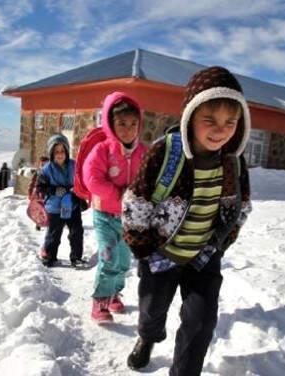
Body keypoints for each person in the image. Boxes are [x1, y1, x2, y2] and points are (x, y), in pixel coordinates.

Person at [122, 66, 252, 374]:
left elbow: (240, 208)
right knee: (152, 311)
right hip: (161, 255)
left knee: (202, 321)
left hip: (203, 258)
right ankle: (147, 337)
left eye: (230, 122)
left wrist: (219, 245)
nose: (220, 129)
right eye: (209, 119)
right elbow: (136, 202)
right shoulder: (165, 154)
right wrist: (144, 249)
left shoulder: (233, 162)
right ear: (190, 116)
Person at [83, 92, 148, 324]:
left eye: (133, 124)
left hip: (130, 219)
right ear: (111, 123)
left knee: (122, 261)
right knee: (108, 257)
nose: (128, 129)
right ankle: (100, 301)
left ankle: (114, 294)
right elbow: (92, 179)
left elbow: (150, 179)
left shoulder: (144, 153)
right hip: (104, 216)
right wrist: (120, 194)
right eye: (121, 123)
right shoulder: (103, 150)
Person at [36, 134, 84, 267]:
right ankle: (49, 256)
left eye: (62, 151)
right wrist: (53, 190)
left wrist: (78, 192)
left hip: (72, 205)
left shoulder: (74, 165)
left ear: (67, 151)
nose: (60, 154)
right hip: (55, 207)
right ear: (51, 153)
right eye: (56, 152)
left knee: (76, 232)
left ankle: (76, 257)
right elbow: (40, 187)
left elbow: (82, 180)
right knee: (54, 234)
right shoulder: (46, 170)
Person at [28, 156, 50, 231]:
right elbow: (32, 183)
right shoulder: (37, 173)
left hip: (47, 193)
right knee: (38, 209)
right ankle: (38, 223)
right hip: (37, 194)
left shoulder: (50, 173)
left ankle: (48, 222)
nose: (44, 165)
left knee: (47, 209)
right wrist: (30, 192)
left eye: (46, 163)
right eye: (42, 164)